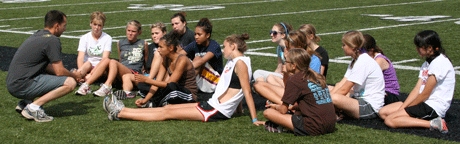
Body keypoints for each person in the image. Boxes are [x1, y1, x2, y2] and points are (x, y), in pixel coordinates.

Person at [103, 33, 264, 126]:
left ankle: (121, 112)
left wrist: (254, 119)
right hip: (212, 105)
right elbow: (235, 89)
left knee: (167, 112)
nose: (224, 50)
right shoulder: (235, 62)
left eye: (225, 46)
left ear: (233, 47)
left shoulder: (241, 63)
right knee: (167, 110)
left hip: (215, 110)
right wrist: (238, 110)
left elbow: (247, 92)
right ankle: (120, 112)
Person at [6, 10, 82, 122]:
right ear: (56, 26)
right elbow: (59, 71)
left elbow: (45, 66)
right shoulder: (52, 40)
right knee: (70, 82)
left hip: (12, 83)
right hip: (21, 85)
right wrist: (74, 75)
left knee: (43, 72)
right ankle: (33, 108)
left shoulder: (38, 34)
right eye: (64, 26)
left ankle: (26, 102)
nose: (65, 29)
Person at [378, 30, 455, 134]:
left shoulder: (440, 63)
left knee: (390, 120)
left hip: (433, 106)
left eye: (419, 47)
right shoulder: (426, 64)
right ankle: (416, 118)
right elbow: (417, 89)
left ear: (430, 48)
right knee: (383, 113)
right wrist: (403, 107)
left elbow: (425, 94)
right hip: (423, 102)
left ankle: (435, 123)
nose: (417, 49)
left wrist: (408, 108)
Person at [262, 48, 336, 136]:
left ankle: (285, 127)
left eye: (286, 61)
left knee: (268, 113)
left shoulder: (295, 80)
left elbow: (283, 110)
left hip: (314, 127)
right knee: (296, 112)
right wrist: (291, 108)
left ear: (293, 65)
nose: (284, 63)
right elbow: (311, 103)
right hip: (330, 124)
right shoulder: (317, 76)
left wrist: (275, 107)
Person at [126, 31, 198, 108]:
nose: (158, 50)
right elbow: (157, 82)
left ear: (170, 48)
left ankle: (155, 103)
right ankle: (157, 102)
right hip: (171, 91)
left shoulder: (182, 60)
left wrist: (147, 80)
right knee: (143, 85)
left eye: (161, 47)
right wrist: (145, 100)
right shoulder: (165, 59)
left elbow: (171, 83)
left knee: (171, 87)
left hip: (187, 94)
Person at [329, 30, 385, 120]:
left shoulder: (363, 61)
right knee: (328, 89)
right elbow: (342, 83)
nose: (342, 47)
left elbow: (344, 89)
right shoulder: (356, 60)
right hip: (358, 98)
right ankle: (335, 111)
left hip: (370, 106)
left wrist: (324, 103)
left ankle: (331, 112)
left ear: (353, 47)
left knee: (335, 98)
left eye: (344, 45)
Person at [254, 30, 321, 105]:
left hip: (304, 92)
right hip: (293, 88)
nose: (286, 50)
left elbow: (308, 82)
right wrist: (287, 62)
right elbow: (288, 82)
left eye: (288, 47)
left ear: (298, 47)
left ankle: (284, 104)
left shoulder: (313, 59)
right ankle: (284, 103)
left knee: (260, 88)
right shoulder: (292, 58)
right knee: (268, 79)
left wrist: (288, 63)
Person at [92, 20, 148, 97]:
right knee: (109, 61)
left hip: (135, 73)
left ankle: (107, 86)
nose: (130, 33)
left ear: (139, 32)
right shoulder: (120, 42)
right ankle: (89, 81)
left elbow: (146, 61)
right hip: (122, 71)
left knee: (113, 62)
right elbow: (121, 60)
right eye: (128, 30)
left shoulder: (143, 43)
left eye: (133, 31)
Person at [113, 22, 167, 99]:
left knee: (158, 54)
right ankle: (126, 93)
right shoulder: (150, 47)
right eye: (152, 34)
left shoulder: (168, 46)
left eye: (156, 33)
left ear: (164, 33)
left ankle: (145, 87)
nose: (154, 36)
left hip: (159, 78)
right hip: (148, 76)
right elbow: (146, 62)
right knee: (126, 76)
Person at [179, 18, 223, 97]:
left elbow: (202, 61)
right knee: (180, 57)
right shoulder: (194, 44)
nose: (196, 37)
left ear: (207, 35)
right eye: (195, 34)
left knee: (198, 59)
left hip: (215, 81)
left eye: (199, 34)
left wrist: (182, 70)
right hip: (201, 78)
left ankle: (183, 86)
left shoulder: (214, 45)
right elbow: (179, 55)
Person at [75, 11, 113, 95]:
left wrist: (92, 73)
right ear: (90, 24)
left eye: (99, 25)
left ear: (103, 26)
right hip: (88, 65)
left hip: (100, 66)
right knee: (87, 64)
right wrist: (81, 72)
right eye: (95, 24)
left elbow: (105, 58)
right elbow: (80, 57)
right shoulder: (84, 38)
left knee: (105, 63)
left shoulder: (107, 38)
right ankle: (79, 77)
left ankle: (85, 83)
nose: (97, 27)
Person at [362, 34, 400, 105]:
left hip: (389, 93)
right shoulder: (368, 59)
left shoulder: (379, 60)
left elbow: (363, 78)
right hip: (376, 91)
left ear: (371, 50)